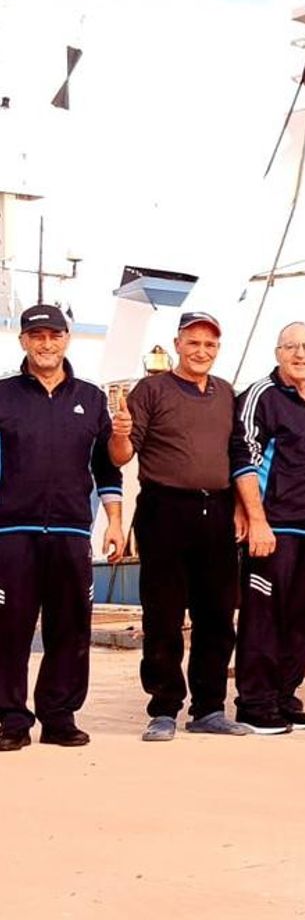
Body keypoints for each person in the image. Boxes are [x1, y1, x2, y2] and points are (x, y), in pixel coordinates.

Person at [107, 311, 252, 741]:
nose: (201, 351)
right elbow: (121, 456)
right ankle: (164, 707)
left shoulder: (227, 394)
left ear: (217, 349)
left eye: (209, 344)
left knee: (218, 615)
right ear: (177, 344)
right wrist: (119, 434)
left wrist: (243, 507)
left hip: (217, 511)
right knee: (164, 614)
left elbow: (237, 452)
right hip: (164, 509)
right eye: (193, 343)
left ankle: (209, 708)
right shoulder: (151, 390)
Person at [0, 305, 125, 752]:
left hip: (72, 532)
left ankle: (59, 716)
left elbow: (107, 468)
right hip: (12, 533)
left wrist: (114, 522)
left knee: (70, 629)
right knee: (9, 629)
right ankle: (11, 720)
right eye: (37, 336)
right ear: (23, 342)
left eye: (54, 335)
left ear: (66, 340)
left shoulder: (90, 399)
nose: (46, 343)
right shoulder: (3, 395)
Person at [231, 322, 305, 735]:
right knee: (262, 617)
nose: (300, 354)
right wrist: (256, 519)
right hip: (274, 528)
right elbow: (243, 455)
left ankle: (284, 696)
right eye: (292, 346)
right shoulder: (261, 396)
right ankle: (254, 703)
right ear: (278, 352)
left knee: (299, 618)